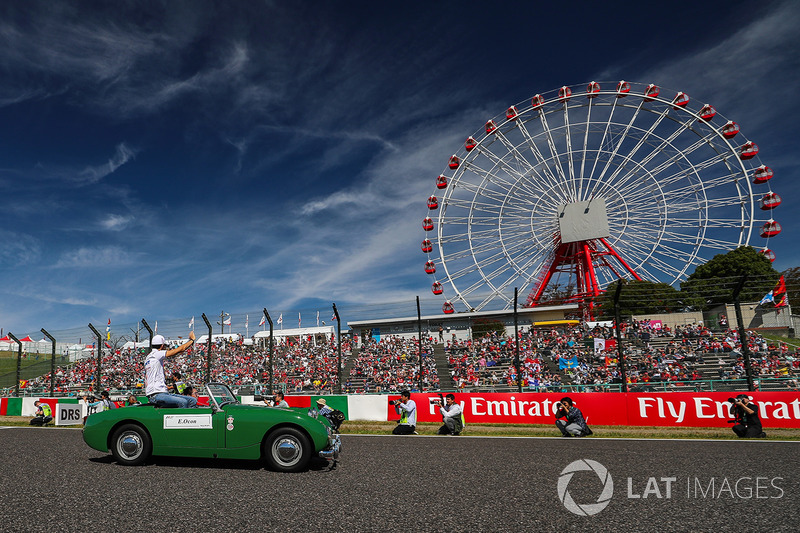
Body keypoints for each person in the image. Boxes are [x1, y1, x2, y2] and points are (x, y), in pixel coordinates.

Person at [144, 332, 198, 408]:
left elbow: (178, 351)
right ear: (162, 346)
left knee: (192, 400)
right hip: (157, 395)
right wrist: (192, 340)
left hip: (161, 393)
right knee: (183, 402)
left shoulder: (149, 357)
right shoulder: (156, 354)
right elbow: (180, 349)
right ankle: (182, 420)